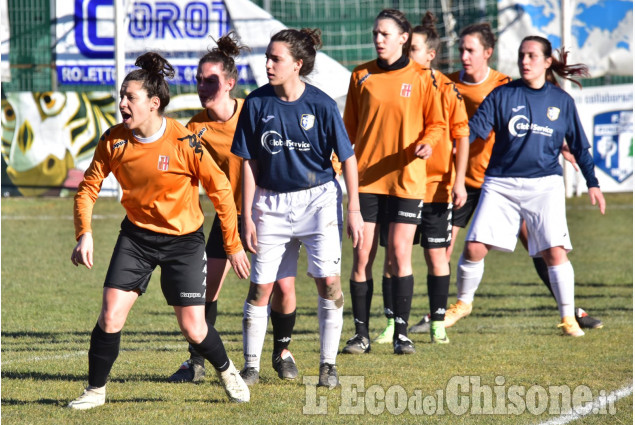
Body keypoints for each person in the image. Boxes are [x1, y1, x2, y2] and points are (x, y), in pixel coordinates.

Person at [67, 52, 251, 410]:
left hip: (183, 242)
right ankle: (95, 391)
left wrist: (232, 244)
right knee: (110, 314)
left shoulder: (184, 142)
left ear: (153, 104)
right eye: (121, 95)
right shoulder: (113, 141)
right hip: (136, 238)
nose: (121, 103)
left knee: (194, 328)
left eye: (129, 97)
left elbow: (221, 191)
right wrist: (84, 233)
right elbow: (88, 188)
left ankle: (228, 370)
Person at [435, 24, 603, 330]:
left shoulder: (561, 101)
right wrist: (440, 142)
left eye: (532, 56)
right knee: (473, 248)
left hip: (545, 185)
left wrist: (593, 183)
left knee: (554, 251)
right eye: (521, 56)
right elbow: (471, 132)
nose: (525, 61)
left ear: (547, 61)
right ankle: (463, 303)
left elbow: (579, 145)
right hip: (500, 183)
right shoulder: (502, 95)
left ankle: (568, 318)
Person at [231, 28, 364, 388]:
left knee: (329, 283)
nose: (268, 64)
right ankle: (251, 367)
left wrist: (354, 209)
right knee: (261, 288)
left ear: (297, 65)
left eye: (276, 58)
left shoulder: (321, 104)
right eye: (268, 57)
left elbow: (347, 158)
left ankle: (328, 365)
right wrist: (246, 216)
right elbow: (248, 164)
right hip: (270, 203)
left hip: (319, 200)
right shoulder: (256, 103)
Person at [165, 32, 297, 384]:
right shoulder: (194, 128)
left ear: (230, 83)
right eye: (198, 80)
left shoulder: (253, 114)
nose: (202, 87)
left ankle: (282, 351)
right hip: (228, 218)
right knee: (205, 290)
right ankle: (195, 361)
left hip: (269, 212)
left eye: (211, 80)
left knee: (283, 288)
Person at [342, 9, 445, 355]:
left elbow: (437, 123)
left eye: (386, 34)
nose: (378, 39)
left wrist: (429, 142)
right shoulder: (361, 76)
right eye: (376, 33)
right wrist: (333, 163)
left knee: (401, 253)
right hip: (367, 181)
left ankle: (402, 333)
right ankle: (361, 334)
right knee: (361, 257)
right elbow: (348, 132)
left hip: (407, 180)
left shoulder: (422, 76)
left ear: (404, 38)